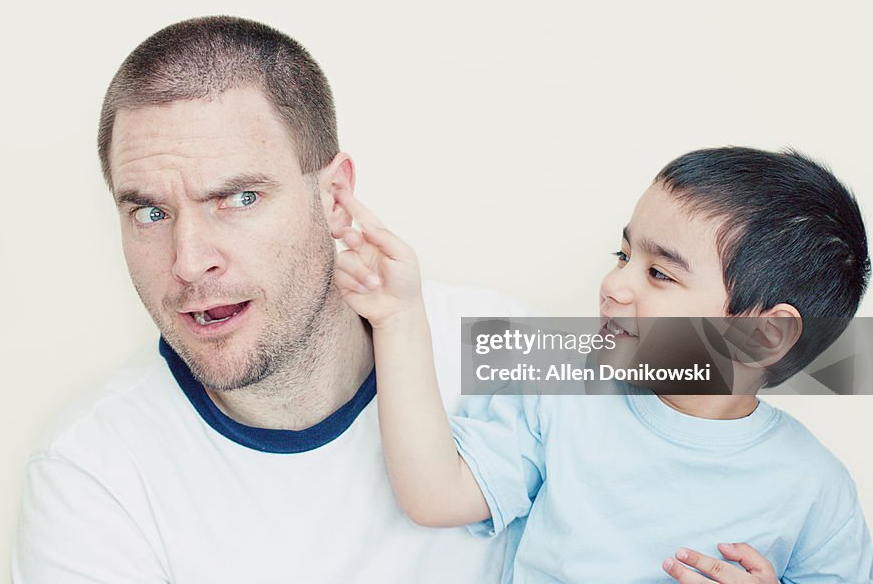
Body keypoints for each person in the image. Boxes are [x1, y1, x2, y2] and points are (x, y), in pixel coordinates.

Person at [12, 16, 532, 583]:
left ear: (334, 198)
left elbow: (647, 380)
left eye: (238, 198)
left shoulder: (510, 340)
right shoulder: (88, 475)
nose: (188, 262)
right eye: (150, 213)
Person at [332, 147, 873, 583]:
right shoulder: (561, 389)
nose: (614, 285)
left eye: (659, 273)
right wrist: (399, 317)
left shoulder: (815, 488)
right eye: (623, 256)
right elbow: (432, 494)